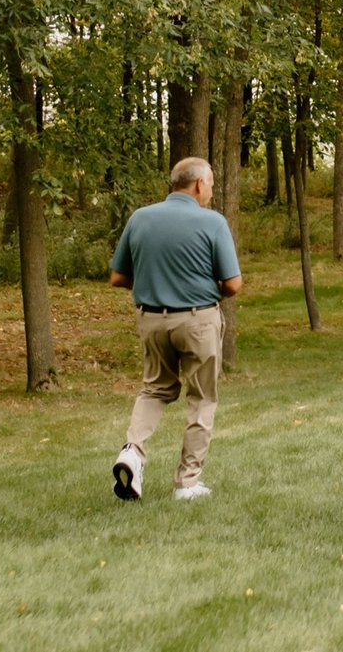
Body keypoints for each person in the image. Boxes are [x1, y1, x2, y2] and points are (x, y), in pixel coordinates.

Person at [109, 157, 243, 503]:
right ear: (199, 184)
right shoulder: (212, 223)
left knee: (154, 390)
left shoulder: (140, 218)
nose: (211, 192)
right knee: (201, 398)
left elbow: (117, 277)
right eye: (211, 184)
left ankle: (133, 451)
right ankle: (187, 482)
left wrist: (154, 285)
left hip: (151, 320)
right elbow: (233, 284)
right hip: (198, 321)